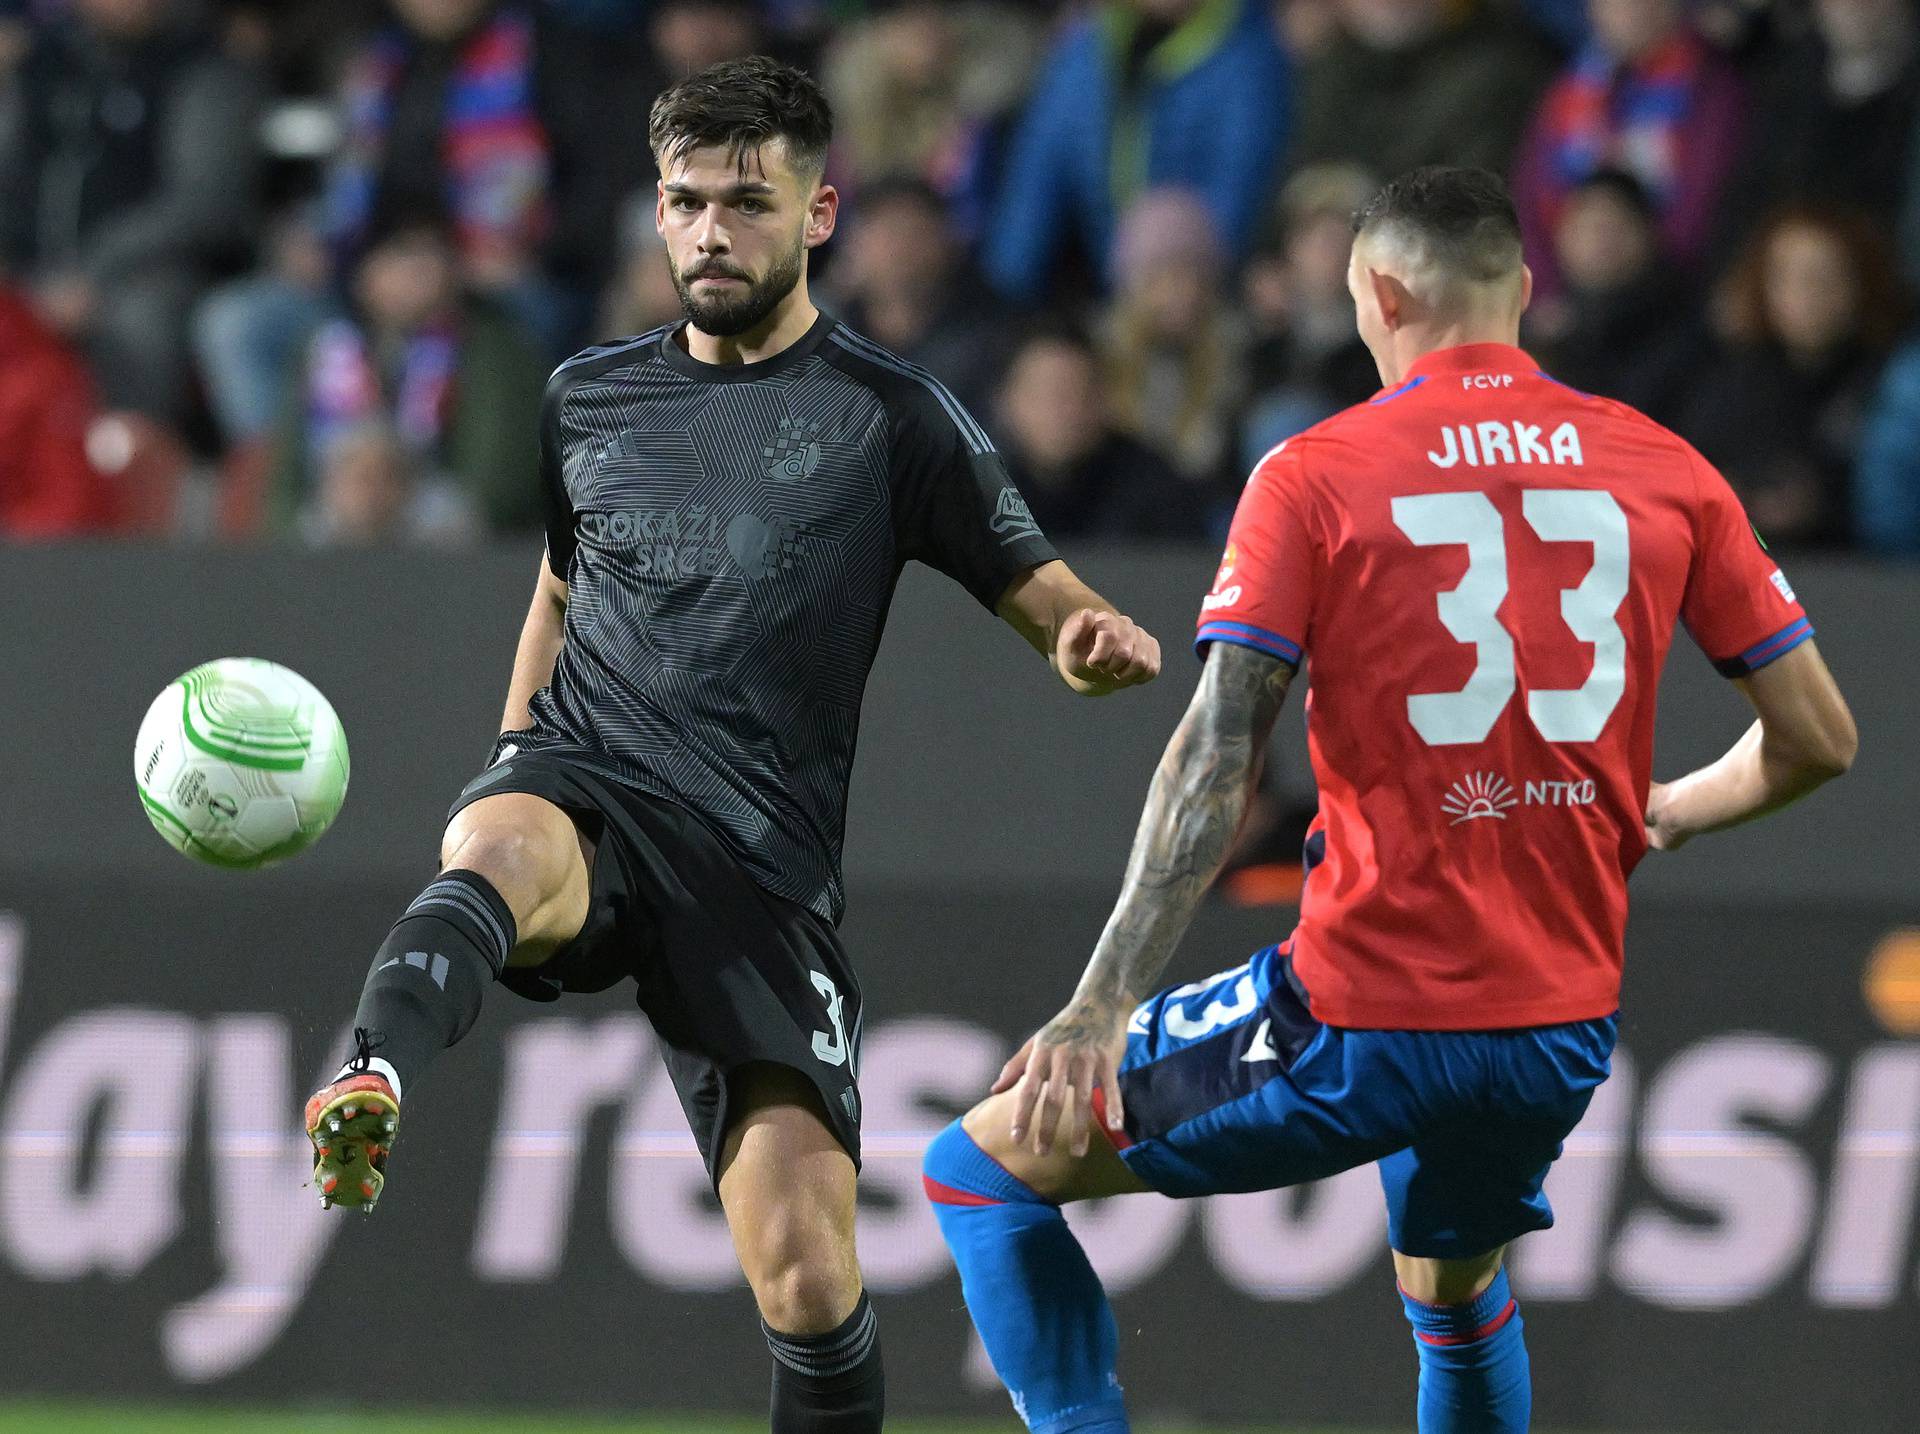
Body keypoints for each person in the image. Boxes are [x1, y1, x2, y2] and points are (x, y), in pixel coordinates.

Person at [300, 56, 1163, 1434]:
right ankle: (373, 1065)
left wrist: (1081, 635)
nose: (710, 231)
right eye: (686, 201)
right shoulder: (588, 394)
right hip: (594, 779)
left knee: (810, 1275)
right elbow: (563, 584)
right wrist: (516, 742)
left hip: (759, 870)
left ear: (819, 214)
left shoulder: (891, 416)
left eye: (746, 203)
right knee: (501, 841)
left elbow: (1039, 583)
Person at [921, 167, 1857, 1434]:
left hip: (1359, 1021)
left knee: (980, 1170)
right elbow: (1817, 740)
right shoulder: (1665, 468)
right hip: (1554, 1036)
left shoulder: (1318, 472)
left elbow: (1218, 755)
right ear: (1522, 290)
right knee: (1453, 1288)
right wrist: (1672, 809)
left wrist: (1103, 1000)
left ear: (1380, 291)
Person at [1677, 205, 1906, 547]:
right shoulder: (1731, 381)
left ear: (1861, 282)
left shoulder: (1893, 381)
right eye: (1786, 276)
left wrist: (1819, 507)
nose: (1805, 295)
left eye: (1823, 277)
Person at [1513, 0, 1746, 298]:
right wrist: (1545, 289)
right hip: (1567, 299)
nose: (1631, 8)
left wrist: (1652, 287)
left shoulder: (1710, 87)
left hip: (1666, 297)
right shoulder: (1570, 86)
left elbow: (1704, 203)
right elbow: (1529, 196)